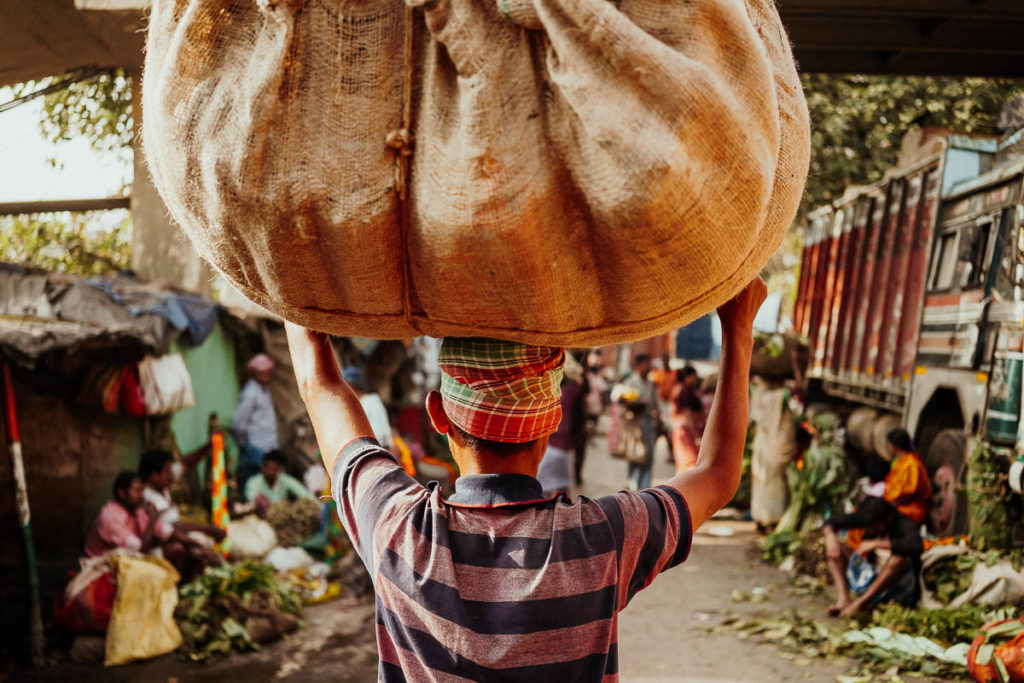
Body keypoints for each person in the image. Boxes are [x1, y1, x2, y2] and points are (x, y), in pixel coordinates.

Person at [285, 277, 764, 680]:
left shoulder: (395, 527)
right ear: (553, 420)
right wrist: (737, 330)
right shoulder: (601, 539)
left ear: (438, 415)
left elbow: (319, 381)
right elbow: (717, 475)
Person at [823, 496, 923, 617]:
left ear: (888, 519)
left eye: (875, 527)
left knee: (898, 559)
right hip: (871, 576)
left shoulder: (904, 522)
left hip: (895, 586)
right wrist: (830, 537)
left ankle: (860, 604)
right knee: (835, 548)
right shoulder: (867, 517)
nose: (871, 530)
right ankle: (843, 600)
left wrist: (876, 543)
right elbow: (831, 522)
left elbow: (916, 545)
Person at [85, 471, 195, 577]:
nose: (142, 495)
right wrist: (152, 518)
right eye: (137, 491)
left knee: (180, 549)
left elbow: (167, 531)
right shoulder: (111, 517)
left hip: (133, 556)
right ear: (122, 493)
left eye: (142, 491)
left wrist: (199, 546)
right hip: (107, 565)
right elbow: (140, 552)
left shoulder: (137, 509)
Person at [139, 448, 227, 547]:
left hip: (177, 533)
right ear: (154, 476)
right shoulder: (149, 497)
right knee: (198, 540)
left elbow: (187, 464)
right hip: (165, 541)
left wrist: (210, 445)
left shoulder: (162, 485)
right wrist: (207, 529)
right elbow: (173, 527)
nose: (171, 474)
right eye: (167, 471)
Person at [536, 354, 585, 496]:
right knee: (562, 489)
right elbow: (579, 420)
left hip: (549, 442)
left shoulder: (548, 387)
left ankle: (544, 513)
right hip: (564, 444)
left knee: (543, 487)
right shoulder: (575, 389)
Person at [233, 353, 280, 490]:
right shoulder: (250, 393)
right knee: (253, 487)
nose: (267, 373)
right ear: (256, 373)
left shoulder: (263, 390)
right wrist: (245, 446)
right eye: (264, 370)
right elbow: (238, 425)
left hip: (268, 448)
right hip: (256, 449)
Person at [622, 353, 659, 490]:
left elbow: (656, 405)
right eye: (646, 364)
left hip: (649, 426)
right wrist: (638, 403)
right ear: (639, 365)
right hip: (635, 426)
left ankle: (644, 490)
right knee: (635, 457)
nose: (649, 367)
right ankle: (633, 487)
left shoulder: (651, 384)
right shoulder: (631, 382)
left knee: (648, 459)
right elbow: (625, 403)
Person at [882, 428, 931, 524]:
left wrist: (891, 505)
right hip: (899, 506)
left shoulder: (911, 464)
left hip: (910, 509)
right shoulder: (901, 462)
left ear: (893, 446)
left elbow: (910, 492)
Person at [245, 450, 316, 513]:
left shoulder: (284, 479)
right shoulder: (253, 482)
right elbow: (252, 499)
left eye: (274, 469)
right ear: (263, 467)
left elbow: (303, 493)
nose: (271, 472)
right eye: (268, 468)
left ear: (280, 469)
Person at [343, 366, 394, 451]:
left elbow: (381, 434)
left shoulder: (372, 401)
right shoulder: (351, 406)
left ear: (351, 385)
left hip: (375, 453)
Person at [671, 366, 704, 472]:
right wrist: (696, 436)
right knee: (690, 463)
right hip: (686, 432)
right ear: (686, 377)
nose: (695, 380)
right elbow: (687, 415)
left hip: (684, 431)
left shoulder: (684, 391)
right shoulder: (684, 392)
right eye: (693, 377)